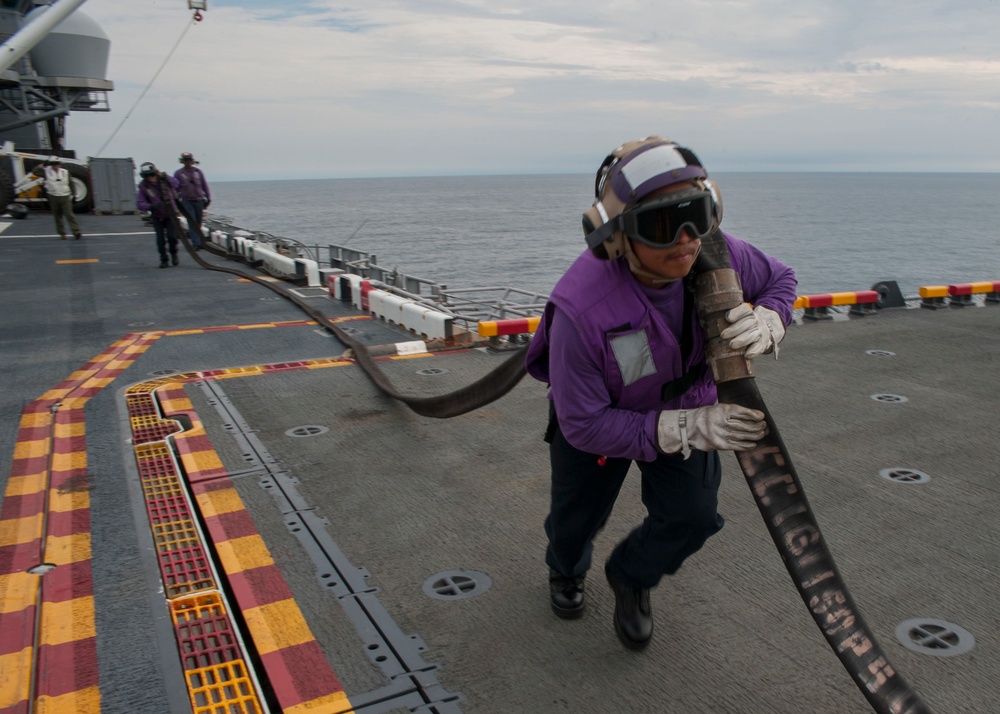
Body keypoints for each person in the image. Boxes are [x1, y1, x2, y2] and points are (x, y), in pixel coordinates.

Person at [524, 137, 797, 651]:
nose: (685, 240)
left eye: (695, 213)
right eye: (659, 224)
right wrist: (683, 429)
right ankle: (565, 570)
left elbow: (781, 279)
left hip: (686, 402)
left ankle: (631, 575)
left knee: (694, 516)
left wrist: (772, 318)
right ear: (615, 237)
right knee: (575, 518)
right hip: (603, 429)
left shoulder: (719, 254)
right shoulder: (582, 310)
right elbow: (582, 423)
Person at [136, 162, 182, 268]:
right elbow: (139, 203)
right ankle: (164, 259)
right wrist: (151, 206)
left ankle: (174, 253)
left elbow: (176, 184)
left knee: (172, 237)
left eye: (152, 175)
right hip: (157, 216)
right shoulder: (144, 186)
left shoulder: (165, 180)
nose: (150, 178)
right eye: (147, 176)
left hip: (170, 214)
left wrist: (165, 176)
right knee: (160, 239)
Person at [34, 157, 82, 240]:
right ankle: (62, 233)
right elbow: (35, 172)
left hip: (65, 195)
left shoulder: (65, 172)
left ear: (59, 164)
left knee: (69, 214)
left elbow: (70, 183)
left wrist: (74, 193)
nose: (55, 166)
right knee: (57, 215)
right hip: (53, 196)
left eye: (57, 164)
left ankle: (76, 231)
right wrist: (41, 165)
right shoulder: (46, 172)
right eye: (53, 164)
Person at [173, 151, 211, 249]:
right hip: (187, 201)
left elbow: (204, 185)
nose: (187, 162)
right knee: (192, 221)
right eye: (185, 160)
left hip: (199, 200)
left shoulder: (198, 172)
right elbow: (175, 188)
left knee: (198, 222)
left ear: (192, 161)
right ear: (182, 161)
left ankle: (200, 241)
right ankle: (196, 243)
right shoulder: (178, 173)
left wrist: (208, 197)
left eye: (189, 160)